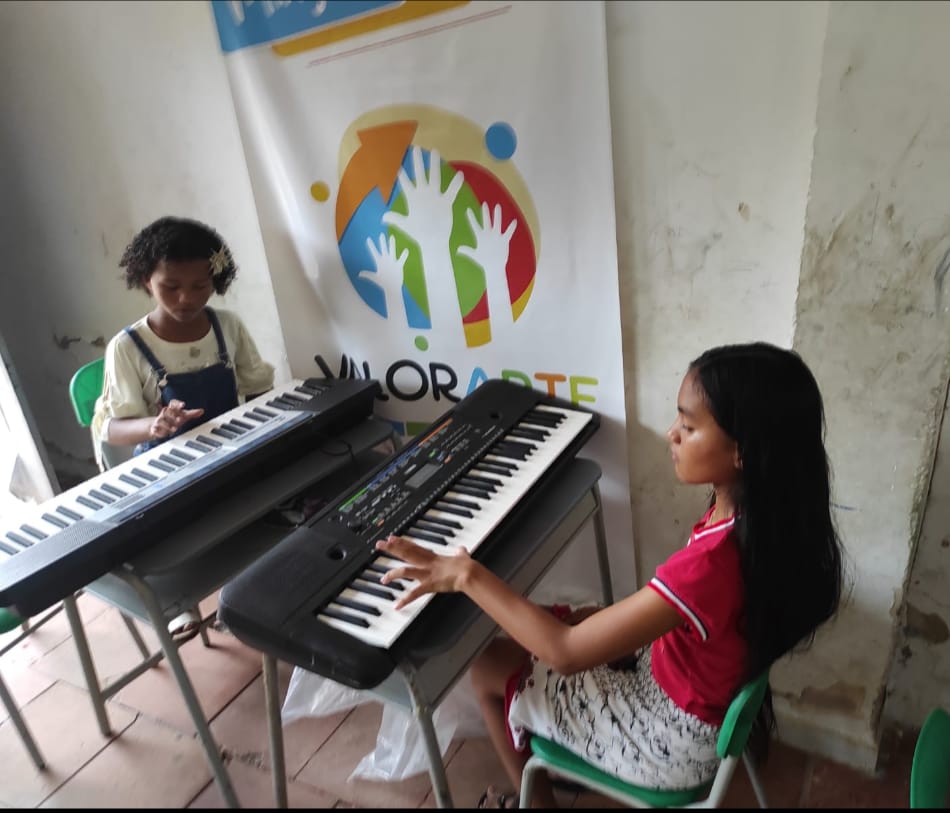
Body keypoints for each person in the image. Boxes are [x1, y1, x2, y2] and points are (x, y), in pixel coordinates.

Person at [374, 342, 846, 808]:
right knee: (565, 618)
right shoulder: (767, 527)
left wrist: (467, 575)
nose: (671, 434)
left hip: (667, 740)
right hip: (696, 699)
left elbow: (564, 653)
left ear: (743, 451)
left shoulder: (711, 565)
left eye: (688, 426)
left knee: (488, 667)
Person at [91, 215, 275, 640]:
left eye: (200, 286)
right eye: (170, 286)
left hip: (229, 453)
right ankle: (183, 600)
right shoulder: (128, 347)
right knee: (171, 537)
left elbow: (259, 389)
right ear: (145, 280)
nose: (186, 298)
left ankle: (243, 594)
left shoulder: (226, 327)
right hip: (166, 469)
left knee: (265, 507)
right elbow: (111, 429)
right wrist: (154, 425)